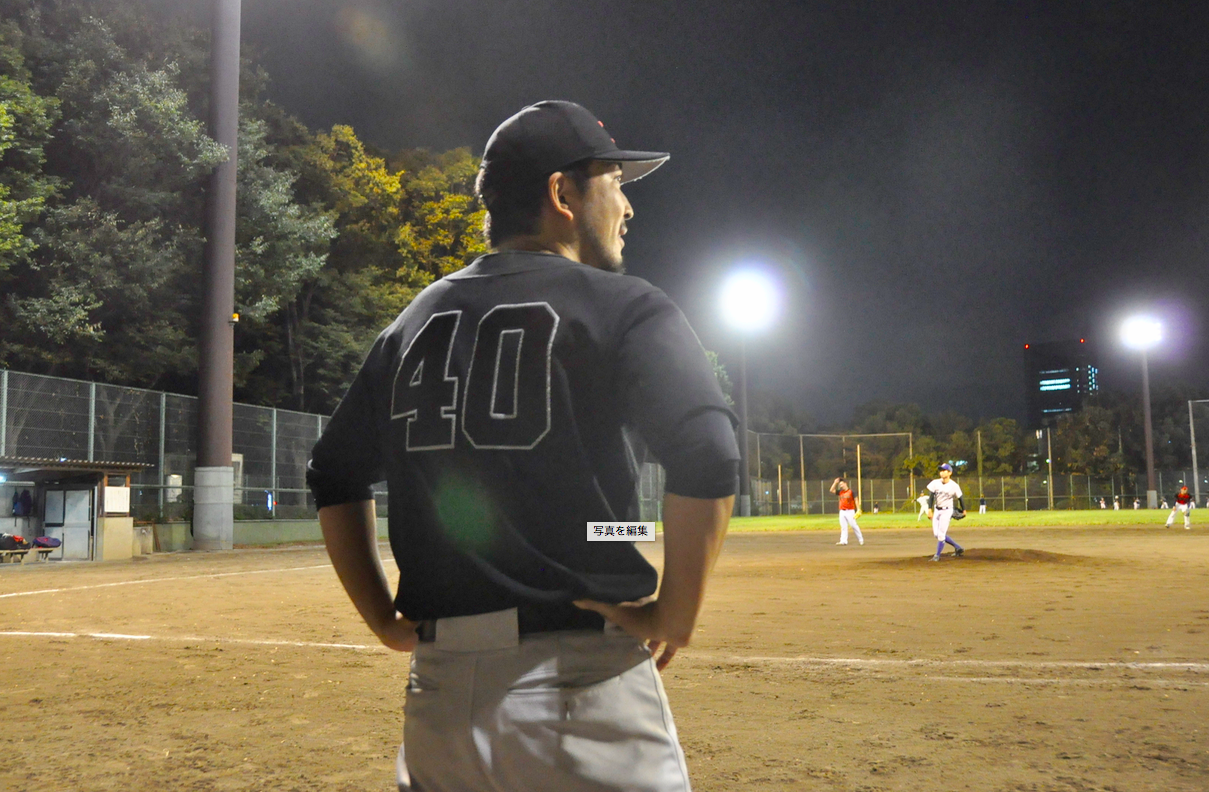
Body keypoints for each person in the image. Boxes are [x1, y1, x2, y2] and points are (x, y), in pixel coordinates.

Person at [307, 100, 739, 792]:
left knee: (619, 523)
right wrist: (675, 614)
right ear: (562, 194)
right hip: (578, 691)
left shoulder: (410, 324)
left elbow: (333, 471)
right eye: (614, 184)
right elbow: (708, 453)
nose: (627, 207)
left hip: (440, 701)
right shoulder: (623, 304)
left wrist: (384, 619)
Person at [926, 463, 965, 561]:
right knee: (936, 534)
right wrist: (929, 509)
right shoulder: (935, 483)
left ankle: (937, 556)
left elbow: (960, 498)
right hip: (937, 510)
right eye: (941, 470)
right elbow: (931, 497)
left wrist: (964, 509)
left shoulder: (954, 485)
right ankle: (958, 547)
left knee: (941, 534)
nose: (942, 472)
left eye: (944, 470)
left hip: (947, 511)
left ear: (950, 473)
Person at [829, 477, 864, 546]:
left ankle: (861, 540)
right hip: (842, 511)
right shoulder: (840, 492)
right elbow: (831, 490)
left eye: (842, 484)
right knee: (843, 527)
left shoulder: (851, 491)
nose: (841, 485)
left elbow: (856, 500)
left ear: (845, 483)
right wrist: (835, 483)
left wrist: (858, 509)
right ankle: (843, 541)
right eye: (840, 485)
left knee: (853, 525)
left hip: (850, 511)